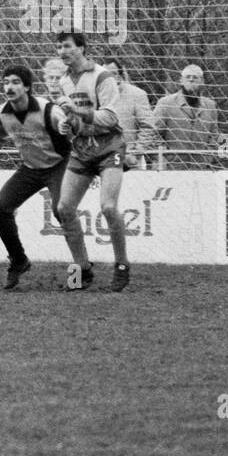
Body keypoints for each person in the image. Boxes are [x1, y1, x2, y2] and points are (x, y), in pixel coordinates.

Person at [0, 65, 80, 290]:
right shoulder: (2, 113)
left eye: (16, 82)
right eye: (6, 81)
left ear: (27, 87)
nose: (9, 86)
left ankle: (80, 269)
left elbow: (74, 132)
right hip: (30, 168)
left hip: (59, 165)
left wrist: (70, 128)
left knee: (61, 211)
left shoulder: (48, 109)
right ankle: (19, 260)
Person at [52, 32, 131, 292]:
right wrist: (68, 124)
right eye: (59, 47)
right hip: (83, 147)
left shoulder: (102, 76)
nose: (62, 51)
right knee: (64, 208)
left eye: (67, 46)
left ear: (82, 48)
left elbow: (109, 118)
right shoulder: (64, 80)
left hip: (109, 145)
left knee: (108, 207)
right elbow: (77, 121)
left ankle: (121, 265)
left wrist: (75, 112)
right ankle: (82, 269)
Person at [152, 64, 221, 169]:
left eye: (195, 77)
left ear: (202, 81)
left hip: (200, 168)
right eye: (188, 77)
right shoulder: (165, 103)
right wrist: (164, 157)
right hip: (172, 167)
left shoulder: (210, 105)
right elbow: (154, 133)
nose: (191, 80)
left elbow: (214, 136)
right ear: (181, 80)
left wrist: (208, 158)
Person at [100, 58, 155, 170]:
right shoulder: (96, 95)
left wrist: (136, 152)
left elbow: (148, 126)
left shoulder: (137, 95)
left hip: (129, 161)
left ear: (120, 75)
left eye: (113, 73)